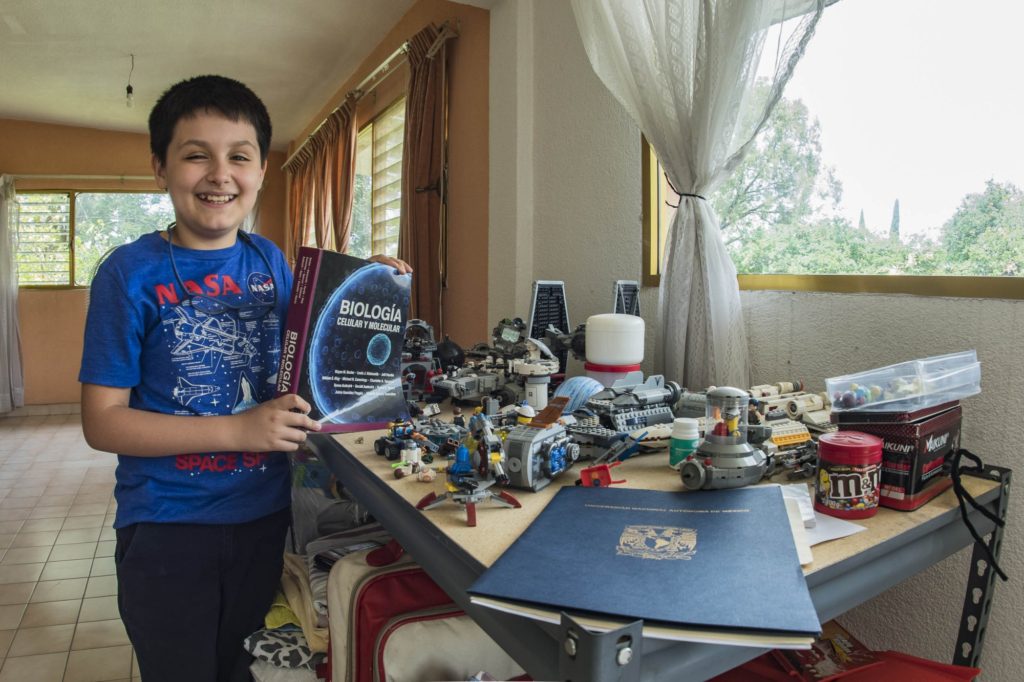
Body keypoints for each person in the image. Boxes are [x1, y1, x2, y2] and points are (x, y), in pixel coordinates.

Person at [78, 75, 409, 682]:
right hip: (167, 525)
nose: (219, 174)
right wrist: (239, 431)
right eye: (195, 154)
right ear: (160, 168)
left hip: (262, 518)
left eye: (239, 156)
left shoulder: (270, 261)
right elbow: (102, 422)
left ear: (260, 171)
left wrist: (365, 285)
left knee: (241, 667)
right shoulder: (127, 273)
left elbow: (305, 357)